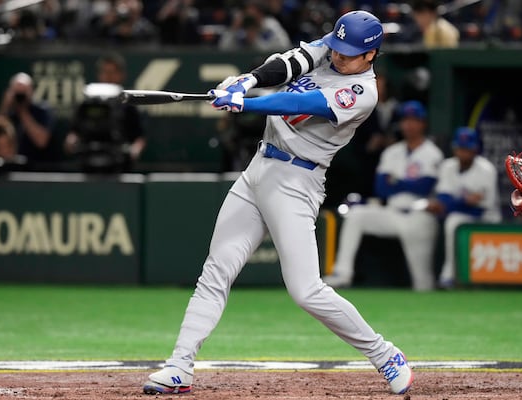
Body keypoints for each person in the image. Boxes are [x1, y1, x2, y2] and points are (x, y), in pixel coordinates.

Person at [142, 10, 413, 396]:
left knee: (306, 291)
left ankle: (385, 355)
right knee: (216, 270)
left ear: (371, 55)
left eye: (349, 53)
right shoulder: (332, 49)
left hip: (296, 182)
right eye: (336, 47)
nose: (338, 56)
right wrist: (247, 79)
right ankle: (179, 366)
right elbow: (289, 63)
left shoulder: (362, 93)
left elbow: (296, 103)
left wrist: (245, 103)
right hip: (259, 168)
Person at [323, 100, 444, 291]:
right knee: (357, 215)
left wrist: (396, 182)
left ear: (423, 123)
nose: (409, 125)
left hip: (420, 217)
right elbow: (381, 188)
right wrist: (407, 184)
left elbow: (424, 187)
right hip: (393, 213)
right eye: (406, 120)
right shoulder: (392, 152)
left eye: (414, 120)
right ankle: (342, 273)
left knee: (422, 282)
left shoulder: (432, 153)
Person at [426, 127, 501, 289]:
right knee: (453, 221)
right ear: (455, 148)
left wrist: (452, 203)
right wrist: (463, 201)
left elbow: (479, 208)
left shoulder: (486, 170)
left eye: (467, 149)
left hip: (487, 219)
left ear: (475, 149)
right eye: (460, 148)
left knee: (454, 220)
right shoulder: (447, 166)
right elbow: (443, 199)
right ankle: (449, 275)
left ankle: (451, 274)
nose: (463, 153)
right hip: (461, 215)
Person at [64, 52, 145, 171]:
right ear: (99, 75)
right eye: (105, 72)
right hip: (88, 164)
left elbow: (139, 137)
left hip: (119, 167)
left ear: (121, 75)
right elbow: (74, 132)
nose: (108, 77)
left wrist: (133, 151)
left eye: (112, 73)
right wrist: (71, 142)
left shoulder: (128, 105)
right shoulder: (87, 103)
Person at [0, 72, 56, 165]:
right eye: (17, 93)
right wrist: (5, 107)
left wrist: (23, 112)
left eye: (23, 93)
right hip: (10, 166)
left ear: (31, 91)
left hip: (37, 166)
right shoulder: (8, 112)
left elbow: (41, 141)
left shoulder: (42, 110)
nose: (20, 97)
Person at [218, 0, 291, 51]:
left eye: (255, 12)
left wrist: (255, 38)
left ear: (261, 13)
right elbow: (223, 48)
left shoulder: (270, 25)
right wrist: (233, 29)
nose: (251, 16)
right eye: (247, 12)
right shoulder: (240, 26)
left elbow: (285, 46)